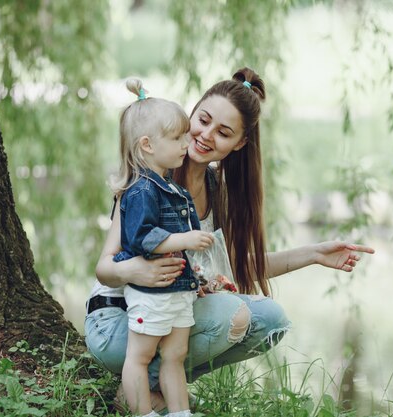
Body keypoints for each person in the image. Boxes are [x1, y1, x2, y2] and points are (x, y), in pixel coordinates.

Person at [85, 67, 375, 412]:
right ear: (191, 114)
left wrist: (314, 253)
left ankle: (151, 386)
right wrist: (135, 271)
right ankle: (141, 388)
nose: (206, 135)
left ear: (239, 144)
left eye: (223, 133)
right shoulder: (147, 182)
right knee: (233, 313)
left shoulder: (216, 190)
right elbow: (105, 267)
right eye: (203, 120)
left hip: (168, 317)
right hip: (120, 321)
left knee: (269, 319)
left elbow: (240, 265)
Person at [110, 79, 213, 417]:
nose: (188, 142)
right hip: (150, 293)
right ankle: (143, 412)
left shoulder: (171, 187)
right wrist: (185, 240)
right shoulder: (142, 191)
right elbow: (141, 238)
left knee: (175, 355)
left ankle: (180, 413)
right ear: (147, 145)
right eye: (178, 138)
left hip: (177, 290)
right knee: (140, 356)